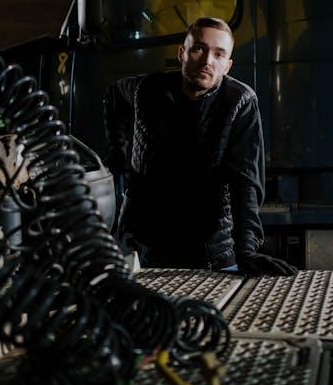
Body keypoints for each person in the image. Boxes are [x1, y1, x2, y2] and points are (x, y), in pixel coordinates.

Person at [103, 16, 296, 275]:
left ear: (227, 66)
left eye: (218, 54)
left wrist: (247, 250)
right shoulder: (146, 90)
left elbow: (245, 182)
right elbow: (114, 96)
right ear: (182, 53)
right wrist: (117, 150)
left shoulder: (239, 102)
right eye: (199, 49)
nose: (207, 61)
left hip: (210, 253)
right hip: (142, 248)